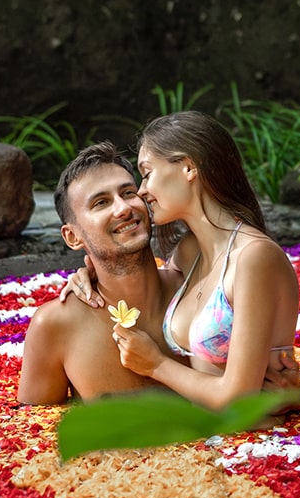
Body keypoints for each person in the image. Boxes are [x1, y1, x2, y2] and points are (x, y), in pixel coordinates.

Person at [70, 111, 300, 412]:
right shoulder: (189, 252)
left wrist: (156, 365)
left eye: (147, 173)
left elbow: (239, 399)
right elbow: (149, 287)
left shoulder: (253, 257)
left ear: (187, 168)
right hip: (202, 441)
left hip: (257, 445)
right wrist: (91, 271)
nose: (142, 191)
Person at [17, 142, 183, 404]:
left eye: (128, 192)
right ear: (72, 236)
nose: (123, 208)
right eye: (101, 202)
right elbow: (34, 432)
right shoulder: (55, 326)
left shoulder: (196, 291)